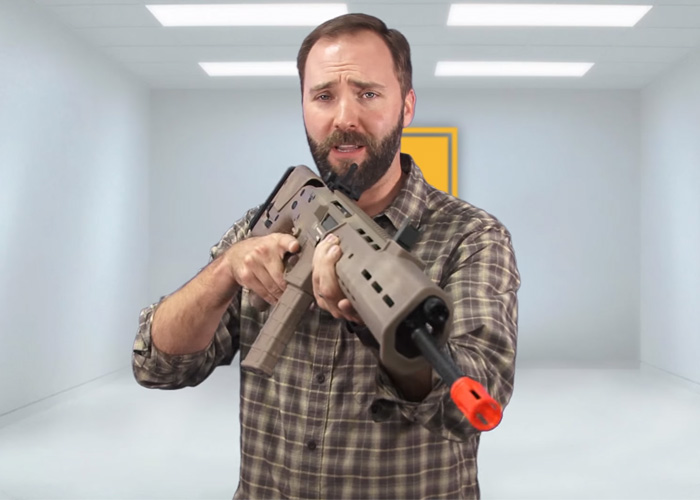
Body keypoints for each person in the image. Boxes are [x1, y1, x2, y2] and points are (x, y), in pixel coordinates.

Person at [132, 13, 520, 500]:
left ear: (407, 107)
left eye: (368, 93)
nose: (344, 118)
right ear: (303, 107)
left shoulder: (472, 236)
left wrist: (373, 324)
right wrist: (227, 269)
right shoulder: (263, 224)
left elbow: (470, 405)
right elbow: (158, 366)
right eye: (323, 96)